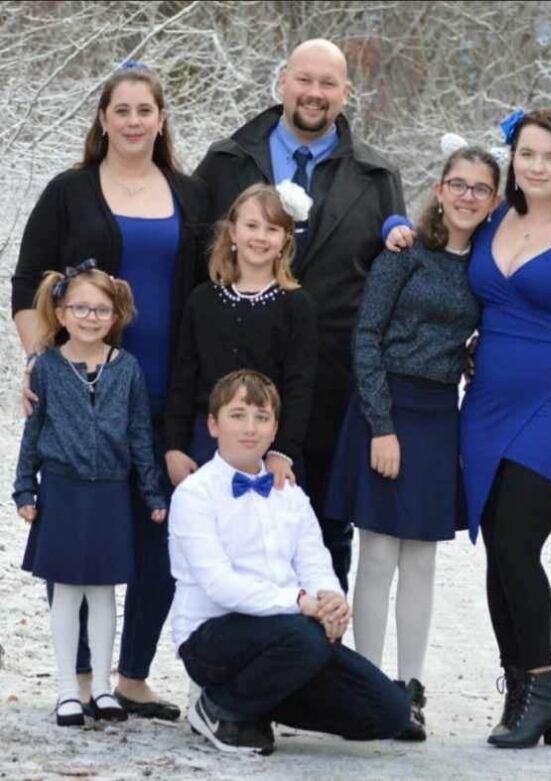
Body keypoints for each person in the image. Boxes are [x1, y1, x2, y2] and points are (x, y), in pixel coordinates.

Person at [385, 110, 551, 748]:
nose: (536, 166)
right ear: (511, 160)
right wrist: (395, 228)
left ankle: (541, 683)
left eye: (550, 156)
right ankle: (522, 692)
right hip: (484, 406)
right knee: (497, 547)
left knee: (517, 540)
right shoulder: (492, 219)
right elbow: (437, 234)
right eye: (526, 154)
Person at [11, 63, 209, 720]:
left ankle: (131, 676)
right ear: (103, 119)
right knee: (77, 530)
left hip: (167, 391)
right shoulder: (69, 191)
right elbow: (27, 285)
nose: (131, 121)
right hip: (83, 393)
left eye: (143, 110)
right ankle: (81, 676)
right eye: (120, 110)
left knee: (158, 532)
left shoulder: (189, 192)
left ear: (160, 119)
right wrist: (41, 364)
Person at [195, 38, 405, 591]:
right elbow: (193, 269)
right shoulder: (227, 163)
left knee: (324, 532)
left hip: (333, 386)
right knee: (232, 532)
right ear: (283, 80)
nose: (315, 93)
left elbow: (396, 287)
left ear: (346, 92)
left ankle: (320, 657)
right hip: (232, 384)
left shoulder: (377, 178)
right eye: (305, 79)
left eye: (328, 83)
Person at [326, 146, 499, 740]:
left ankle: (409, 688)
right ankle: (367, 686)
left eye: (481, 188)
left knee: (421, 557)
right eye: (459, 184)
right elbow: (367, 336)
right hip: (387, 404)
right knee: (376, 553)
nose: (468, 197)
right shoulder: (405, 253)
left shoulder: (488, 265)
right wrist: (382, 427)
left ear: (495, 199)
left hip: (437, 413)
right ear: (441, 189)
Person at [169, 370, 409, 755]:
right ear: (213, 425)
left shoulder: (290, 496)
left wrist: (329, 600)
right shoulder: (194, 495)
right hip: (211, 639)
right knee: (304, 638)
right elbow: (219, 584)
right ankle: (220, 707)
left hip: (290, 637)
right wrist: (300, 603)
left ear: (275, 428)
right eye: (238, 415)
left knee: (390, 712)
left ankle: (257, 704)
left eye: (261, 418)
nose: (250, 428)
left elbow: (314, 560)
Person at [13, 262, 166, 727]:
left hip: (111, 495)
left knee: (103, 593)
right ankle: (67, 691)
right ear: (60, 313)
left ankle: (102, 687)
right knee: (66, 594)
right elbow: (33, 431)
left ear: (116, 314)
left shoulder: (128, 370)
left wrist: (152, 492)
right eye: (79, 307)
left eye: (101, 309)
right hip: (62, 491)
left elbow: (140, 433)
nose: (90, 317)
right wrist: (24, 486)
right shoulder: (47, 369)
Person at [164, 182, 317, 488]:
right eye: (251, 225)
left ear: (285, 239)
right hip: (205, 444)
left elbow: (300, 386)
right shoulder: (202, 300)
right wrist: (174, 447)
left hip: (266, 449)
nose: (260, 237)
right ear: (233, 232)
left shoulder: (298, 305)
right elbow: (183, 378)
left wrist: (282, 451)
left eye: (272, 229)